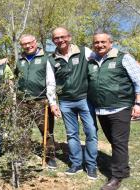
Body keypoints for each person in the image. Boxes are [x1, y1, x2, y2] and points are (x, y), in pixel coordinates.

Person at [88, 30, 140, 190]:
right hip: (101, 110)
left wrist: (139, 104)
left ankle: (116, 177)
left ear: (110, 43)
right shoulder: (92, 60)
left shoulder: (123, 57)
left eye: (103, 42)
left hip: (120, 107)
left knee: (119, 143)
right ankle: (123, 169)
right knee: (114, 141)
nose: (99, 45)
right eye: (96, 42)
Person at [47, 27, 98, 179]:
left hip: (85, 99)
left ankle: (91, 165)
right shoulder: (51, 58)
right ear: (53, 40)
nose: (60, 40)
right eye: (57, 38)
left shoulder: (84, 51)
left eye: (63, 37)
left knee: (91, 132)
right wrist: (53, 103)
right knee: (71, 134)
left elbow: (100, 60)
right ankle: (76, 163)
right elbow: (50, 82)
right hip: (65, 102)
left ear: (69, 37)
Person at [16, 34, 57, 169]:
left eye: (30, 43)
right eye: (24, 44)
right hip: (22, 101)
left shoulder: (46, 58)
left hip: (40, 100)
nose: (27, 46)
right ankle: (23, 155)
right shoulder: (20, 60)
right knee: (23, 130)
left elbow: (51, 81)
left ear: (35, 42)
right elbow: (15, 78)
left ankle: (50, 157)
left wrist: (51, 101)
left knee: (46, 129)